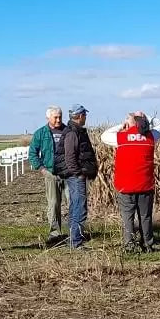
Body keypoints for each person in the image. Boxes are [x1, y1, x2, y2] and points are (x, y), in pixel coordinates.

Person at [101, 111, 160, 252]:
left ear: (131, 123)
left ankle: (129, 246)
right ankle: (147, 245)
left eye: (127, 119)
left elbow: (103, 136)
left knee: (128, 218)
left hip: (125, 185)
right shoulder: (151, 136)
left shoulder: (121, 137)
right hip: (145, 184)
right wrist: (145, 116)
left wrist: (121, 126)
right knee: (145, 217)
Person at [28, 106, 70, 244]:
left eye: (60, 117)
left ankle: (75, 232)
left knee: (73, 202)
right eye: (55, 117)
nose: (58, 120)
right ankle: (55, 233)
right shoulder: (40, 133)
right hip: (51, 173)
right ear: (48, 118)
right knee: (54, 204)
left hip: (69, 173)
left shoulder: (68, 131)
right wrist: (42, 169)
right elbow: (33, 153)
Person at [61, 105, 98, 250]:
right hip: (76, 176)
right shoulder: (72, 133)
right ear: (80, 116)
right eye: (85, 115)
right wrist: (79, 173)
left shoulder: (74, 130)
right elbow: (70, 157)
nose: (86, 118)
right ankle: (76, 241)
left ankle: (74, 238)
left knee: (75, 206)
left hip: (76, 175)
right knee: (79, 207)